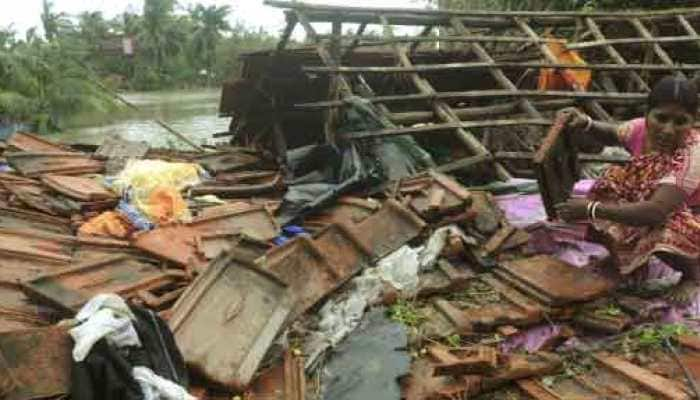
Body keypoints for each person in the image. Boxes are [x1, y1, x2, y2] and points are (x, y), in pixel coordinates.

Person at [556, 75, 700, 304]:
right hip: (654, 202)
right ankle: (622, 259)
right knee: (610, 186)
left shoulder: (693, 156)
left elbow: (656, 211)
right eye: (661, 118)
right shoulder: (641, 130)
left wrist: (593, 209)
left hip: (691, 213)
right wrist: (586, 123)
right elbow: (613, 134)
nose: (668, 130)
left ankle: (693, 274)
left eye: (680, 122)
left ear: (693, 121)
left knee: (665, 226)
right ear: (647, 114)